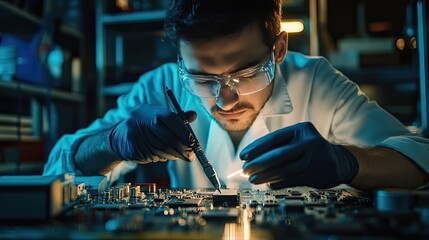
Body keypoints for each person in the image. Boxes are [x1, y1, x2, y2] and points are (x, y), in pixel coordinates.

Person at [43, 0, 429, 191]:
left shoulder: (314, 80)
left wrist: (348, 162)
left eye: (245, 74)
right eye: (201, 78)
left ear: (278, 50)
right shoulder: (160, 86)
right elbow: (55, 171)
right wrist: (112, 143)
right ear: (179, 61)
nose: (225, 101)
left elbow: (421, 156)